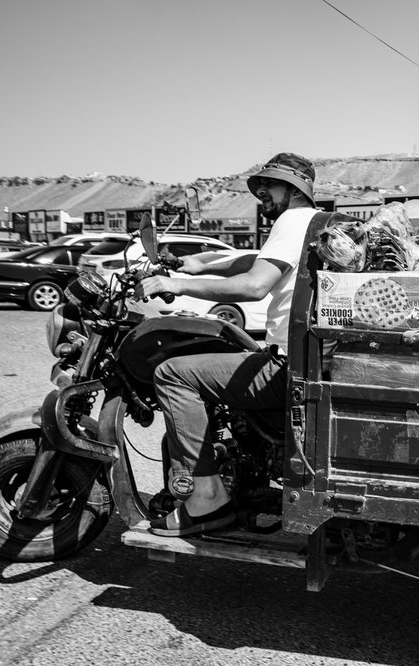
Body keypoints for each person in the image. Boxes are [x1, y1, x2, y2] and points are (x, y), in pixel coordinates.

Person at [133, 152, 319, 537]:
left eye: (270, 184)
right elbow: (255, 260)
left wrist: (176, 285)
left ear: (294, 188)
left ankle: (207, 496)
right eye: (260, 186)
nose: (261, 192)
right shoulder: (311, 225)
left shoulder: (293, 219)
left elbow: (254, 284)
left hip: (288, 366)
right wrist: (199, 264)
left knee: (171, 373)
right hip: (303, 359)